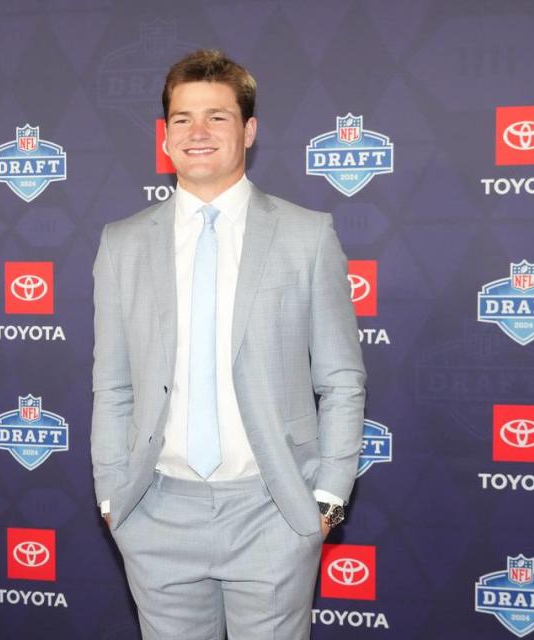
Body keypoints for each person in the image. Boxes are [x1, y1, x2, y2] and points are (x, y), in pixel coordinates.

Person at [90, 49, 366, 639]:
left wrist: (328, 497)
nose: (198, 133)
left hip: (273, 510)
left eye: (217, 116)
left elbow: (341, 379)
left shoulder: (307, 235)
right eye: (183, 119)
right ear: (164, 137)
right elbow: (113, 383)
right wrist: (113, 493)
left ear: (249, 130)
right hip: (155, 511)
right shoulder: (123, 244)